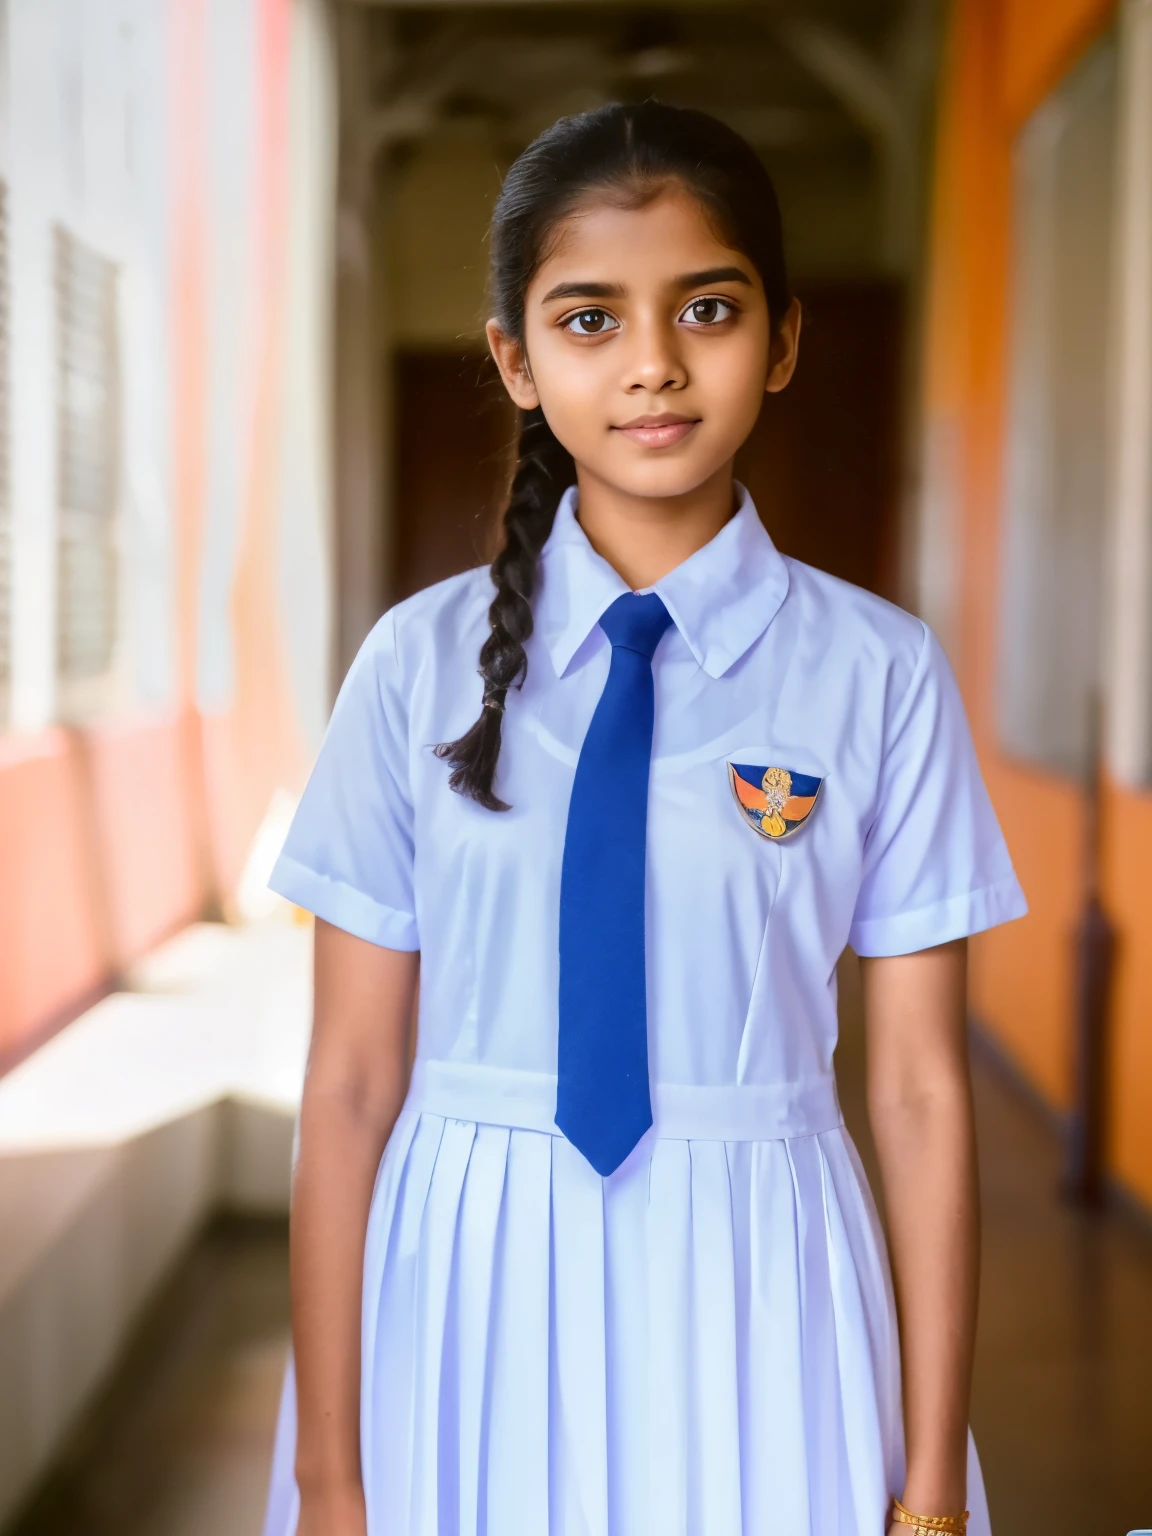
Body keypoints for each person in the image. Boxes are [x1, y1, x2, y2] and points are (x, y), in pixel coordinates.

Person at [261, 101, 1026, 1536]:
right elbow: (354, 1085)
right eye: (591, 318)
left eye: (710, 308)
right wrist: (331, 1476)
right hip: (465, 1283)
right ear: (516, 358)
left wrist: (927, 1480)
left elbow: (921, 1093)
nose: (656, 363)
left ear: (783, 340)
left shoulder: (879, 674)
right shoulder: (414, 667)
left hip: (766, 1281)